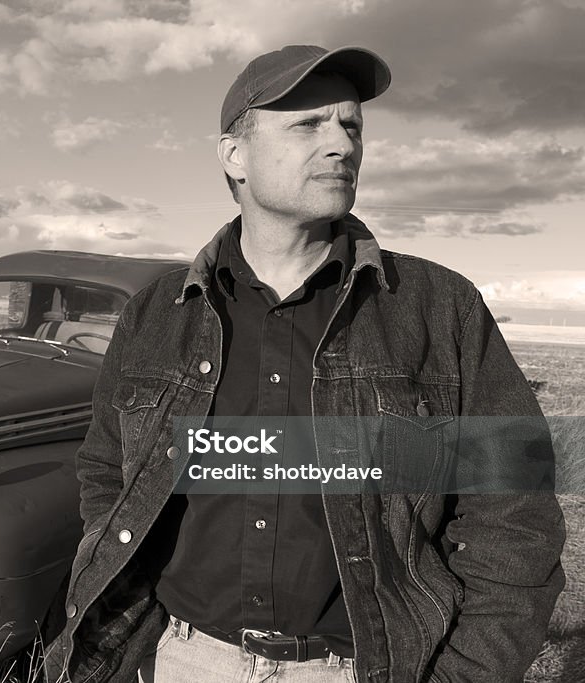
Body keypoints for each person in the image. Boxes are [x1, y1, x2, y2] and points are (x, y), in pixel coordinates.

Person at [44, 45, 566, 683]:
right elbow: (107, 472)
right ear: (234, 155)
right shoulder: (158, 315)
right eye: (307, 124)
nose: (341, 145)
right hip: (180, 657)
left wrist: (467, 671)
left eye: (351, 126)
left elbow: (514, 517)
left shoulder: (438, 309)